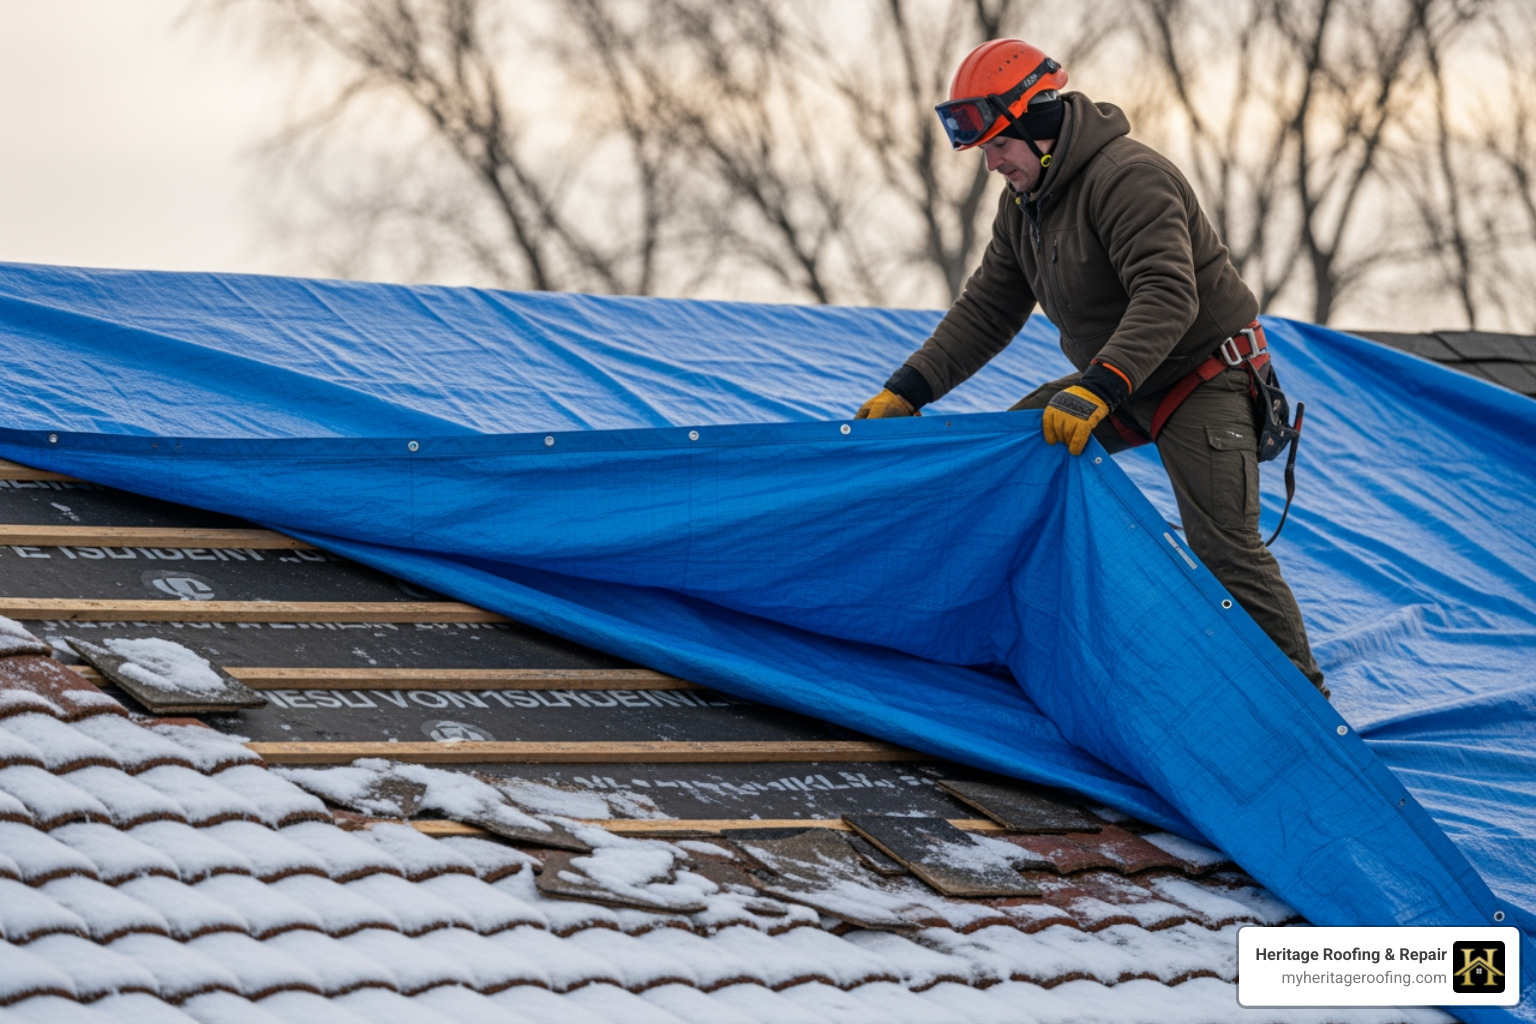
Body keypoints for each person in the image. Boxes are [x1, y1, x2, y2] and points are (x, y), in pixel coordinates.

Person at [855, 38, 1327, 696]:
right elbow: (988, 310)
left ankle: (1303, 703)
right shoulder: (1024, 206)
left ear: (1038, 127)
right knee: (1007, 455)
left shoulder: (1128, 177)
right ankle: (1009, 637)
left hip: (1199, 377)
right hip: (1122, 380)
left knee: (1223, 543)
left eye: (998, 145)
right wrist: (907, 390)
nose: (991, 163)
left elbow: (1167, 295)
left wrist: (1099, 387)